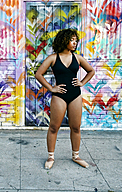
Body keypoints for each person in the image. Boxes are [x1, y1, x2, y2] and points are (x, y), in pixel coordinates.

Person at [35, 28, 95, 169]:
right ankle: (50, 157)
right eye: (72, 40)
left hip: (75, 95)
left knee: (76, 127)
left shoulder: (78, 58)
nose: (74, 43)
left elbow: (91, 71)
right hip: (59, 96)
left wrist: (82, 82)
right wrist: (51, 88)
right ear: (64, 40)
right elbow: (38, 74)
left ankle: (76, 156)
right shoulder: (53, 58)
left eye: (76, 40)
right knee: (54, 127)